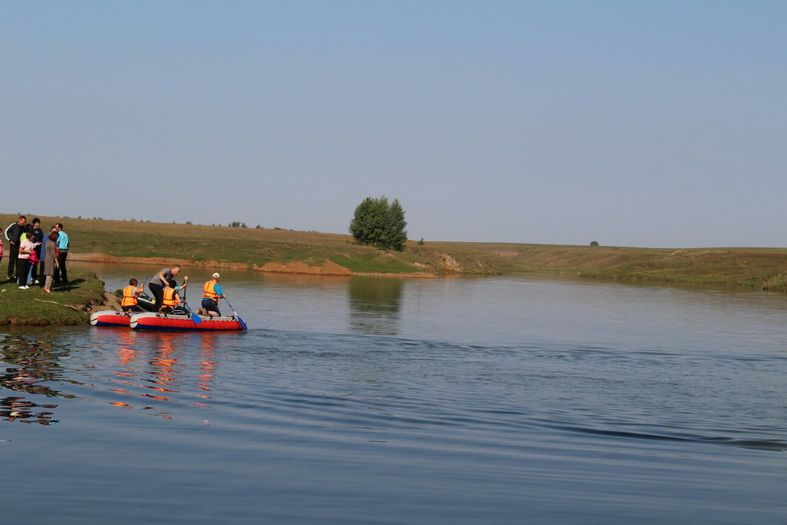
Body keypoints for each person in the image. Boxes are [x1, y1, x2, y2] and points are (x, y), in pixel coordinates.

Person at [4, 215, 26, 281]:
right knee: (12, 260)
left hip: (20, 246)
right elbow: (6, 231)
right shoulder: (14, 225)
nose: (23, 222)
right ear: (19, 220)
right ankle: (9, 275)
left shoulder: (24, 227)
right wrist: (10, 240)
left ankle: (17, 275)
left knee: (18, 261)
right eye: (22, 221)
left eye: (24, 221)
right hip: (13, 245)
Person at [29, 218, 44, 284]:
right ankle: (30, 277)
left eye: (38, 223)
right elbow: (29, 239)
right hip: (32, 249)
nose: (38, 224)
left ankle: (34, 277)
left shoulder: (40, 230)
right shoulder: (30, 229)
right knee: (31, 263)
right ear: (33, 223)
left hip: (39, 249)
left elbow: (42, 237)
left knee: (36, 263)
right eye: (36, 223)